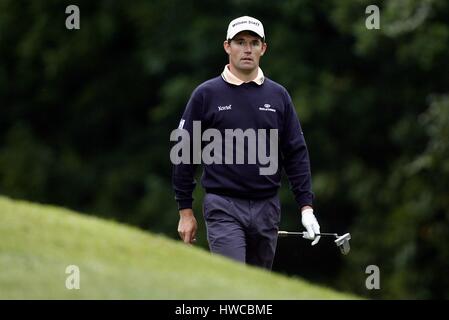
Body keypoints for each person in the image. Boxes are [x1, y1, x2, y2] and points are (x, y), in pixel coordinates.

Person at [171, 16, 320, 270]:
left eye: (254, 42)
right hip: (223, 206)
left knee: (257, 290)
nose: (247, 49)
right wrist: (185, 211)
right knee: (234, 282)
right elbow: (184, 153)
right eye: (240, 42)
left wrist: (306, 208)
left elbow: (295, 153)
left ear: (264, 48)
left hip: (267, 208)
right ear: (227, 46)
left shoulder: (278, 96)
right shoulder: (206, 94)